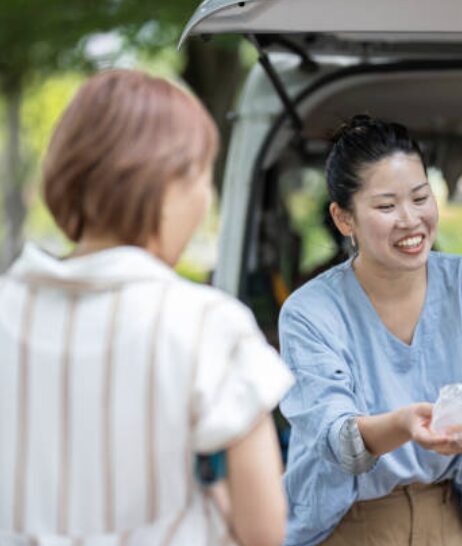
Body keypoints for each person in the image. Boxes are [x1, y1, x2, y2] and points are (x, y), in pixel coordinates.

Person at [0, 70, 294, 546]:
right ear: (167, 182)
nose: (206, 199)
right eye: (202, 176)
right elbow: (263, 531)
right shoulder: (207, 324)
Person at [277, 115, 462, 546]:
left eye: (421, 198)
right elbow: (336, 438)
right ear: (344, 219)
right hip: (349, 527)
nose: (410, 220)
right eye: (386, 207)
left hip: (452, 518)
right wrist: (404, 425)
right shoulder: (309, 312)